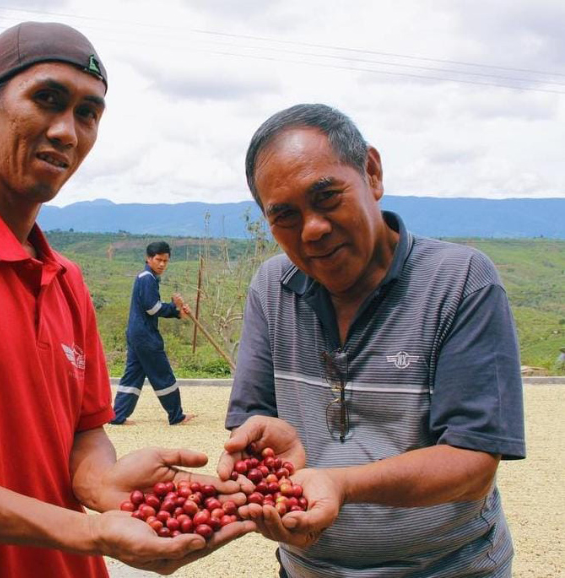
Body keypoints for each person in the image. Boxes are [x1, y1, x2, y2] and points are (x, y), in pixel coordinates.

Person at [0, 21, 253, 578]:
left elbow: (83, 436)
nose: (67, 131)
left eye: (88, 113)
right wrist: (85, 530)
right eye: (47, 99)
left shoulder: (65, 281)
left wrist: (105, 483)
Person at [216, 104, 526, 577]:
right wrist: (260, 445)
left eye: (326, 196)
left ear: (372, 174)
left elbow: (474, 461)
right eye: (285, 216)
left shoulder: (462, 281)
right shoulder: (270, 287)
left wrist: (341, 485)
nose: (313, 229)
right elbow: (256, 418)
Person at [110, 241, 196, 425]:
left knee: (133, 374)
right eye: (159, 260)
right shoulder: (147, 278)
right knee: (162, 374)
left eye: (166, 260)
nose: (162, 264)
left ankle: (117, 416)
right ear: (148, 259)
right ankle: (176, 416)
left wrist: (177, 310)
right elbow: (152, 308)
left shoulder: (146, 277)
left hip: (136, 334)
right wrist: (174, 308)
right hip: (145, 336)